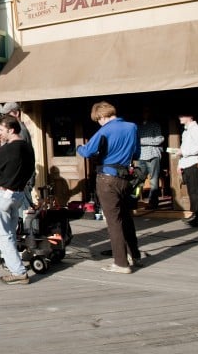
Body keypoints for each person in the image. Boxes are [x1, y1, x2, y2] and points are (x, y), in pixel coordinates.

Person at [77, 101, 141, 274]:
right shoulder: (132, 127)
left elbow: (87, 152)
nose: (98, 122)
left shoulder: (104, 130)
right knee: (126, 217)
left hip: (107, 177)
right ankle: (134, 255)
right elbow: (136, 153)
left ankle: (121, 263)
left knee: (114, 221)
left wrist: (79, 148)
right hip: (125, 178)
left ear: (102, 116)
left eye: (98, 119)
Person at [0, 115, 36, 285]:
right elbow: (30, 171)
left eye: (1, 130)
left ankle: (18, 271)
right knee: (11, 232)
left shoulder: (8, 148)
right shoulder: (28, 147)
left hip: (5, 193)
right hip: (19, 193)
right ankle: (12, 263)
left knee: (3, 236)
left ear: (11, 129)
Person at [2, 102, 35, 210]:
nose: (5, 118)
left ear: (16, 113)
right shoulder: (20, 128)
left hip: (22, 177)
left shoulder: (19, 131)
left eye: (7, 115)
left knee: (25, 211)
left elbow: (16, 155)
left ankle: (29, 227)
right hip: (23, 176)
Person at [174, 111, 198, 226]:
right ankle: (196, 214)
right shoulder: (187, 130)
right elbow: (184, 148)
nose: (180, 117)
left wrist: (183, 152)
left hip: (194, 164)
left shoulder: (196, 129)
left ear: (190, 116)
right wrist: (180, 164)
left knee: (197, 192)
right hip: (188, 164)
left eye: (182, 115)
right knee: (192, 191)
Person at [137, 107, 165, 210]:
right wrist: (149, 141)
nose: (145, 114)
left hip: (153, 155)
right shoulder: (138, 126)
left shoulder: (155, 125)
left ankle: (153, 203)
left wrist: (142, 141)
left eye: (147, 112)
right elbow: (136, 140)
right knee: (139, 179)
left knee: (154, 180)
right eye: (144, 112)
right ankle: (134, 200)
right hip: (141, 156)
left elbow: (159, 140)